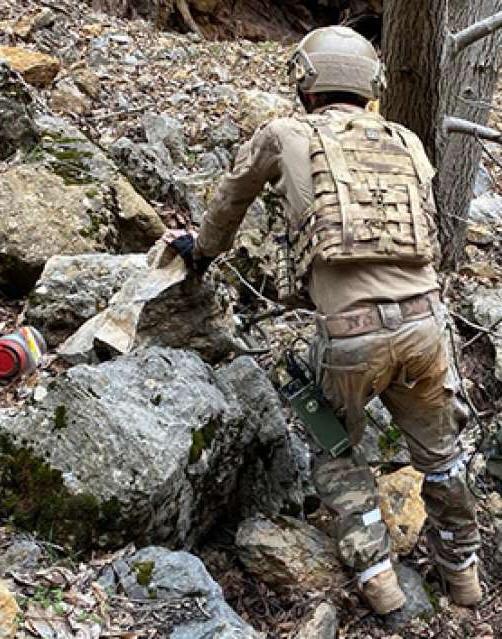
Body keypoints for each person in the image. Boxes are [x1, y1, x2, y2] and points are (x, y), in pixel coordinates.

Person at [169, 25, 482, 615]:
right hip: (426, 327)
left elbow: (231, 199)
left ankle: (380, 581)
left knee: (337, 450)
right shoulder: (407, 142)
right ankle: (463, 574)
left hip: (350, 339)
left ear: (306, 83)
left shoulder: (284, 133)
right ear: (370, 85)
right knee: (443, 457)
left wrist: (200, 252)